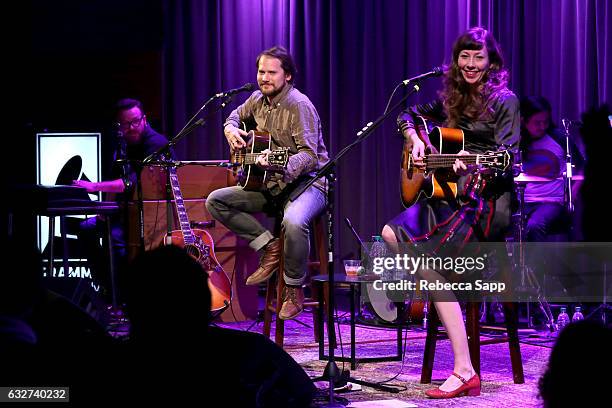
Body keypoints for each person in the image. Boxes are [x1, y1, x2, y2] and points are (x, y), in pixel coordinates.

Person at [382, 27, 520, 398]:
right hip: (449, 197)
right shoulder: (450, 99)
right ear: (456, 60)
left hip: (486, 203)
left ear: (491, 62)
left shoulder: (505, 101)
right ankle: (434, 294)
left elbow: (508, 161)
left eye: (479, 57)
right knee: (391, 233)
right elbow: (407, 114)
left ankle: (463, 368)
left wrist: (475, 166)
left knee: (426, 259)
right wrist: (414, 140)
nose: (471, 64)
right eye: (465, 56)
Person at [206, 46, 329, 321]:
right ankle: (269, 247)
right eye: (261, 71)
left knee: (294, 221)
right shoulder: (256, 100)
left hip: (310, 184)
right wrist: (230, 129)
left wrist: (280, 164)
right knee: (216, 200)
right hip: (271, 186)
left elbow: (309, 156)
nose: (264, 78)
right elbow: (234, 116)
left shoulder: (299, 105)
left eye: (271, 72)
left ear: (287, 76)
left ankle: (295, 289)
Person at [71, 98, 171, 308]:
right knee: (85, 229)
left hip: (149, 213)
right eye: (125, 124)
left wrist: (93, 187)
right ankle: (107, 286)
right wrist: (103, 212)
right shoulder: (123, 143)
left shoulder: (156, 143)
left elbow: (131, 183)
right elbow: (115, 174)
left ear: (144, 119)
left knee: (117, 241)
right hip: (122, 211)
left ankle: (122, 296)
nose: (131, 128)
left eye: (135, 122)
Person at [519, 96, 571, 242]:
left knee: (534, 226)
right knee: (502, 223)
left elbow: (581, 169)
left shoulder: (559, 138)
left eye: (545, 122)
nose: (542, 126)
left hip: (551, 201)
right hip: (523, 201)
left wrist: (572, 197)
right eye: (537, 123)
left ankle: (537, 265)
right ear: (524, 121)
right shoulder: (517, 140)